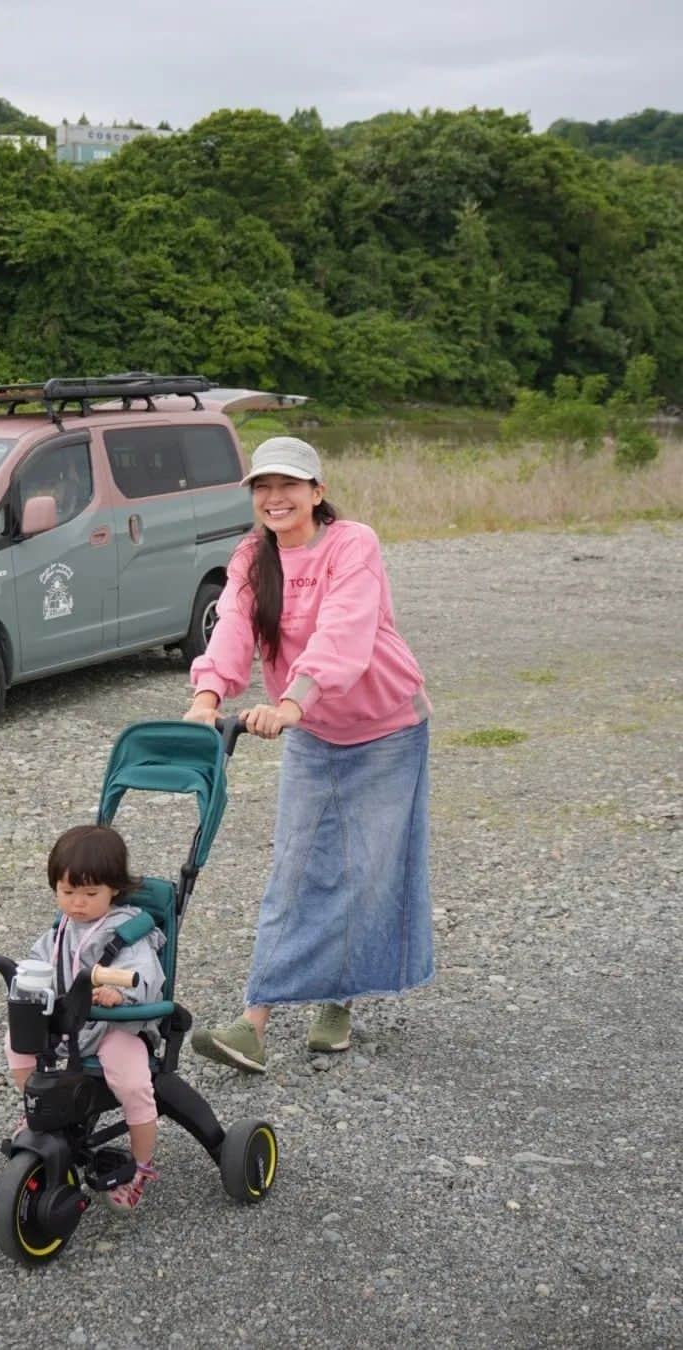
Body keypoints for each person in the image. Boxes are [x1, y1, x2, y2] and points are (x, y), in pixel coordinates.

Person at [183, 436, 432, 1072]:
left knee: (364, 871)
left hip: (386, 728)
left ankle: (337, 1003)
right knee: (295, 869)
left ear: (316, 492)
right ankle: (252, 1022)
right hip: (313, 733)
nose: (275, 498)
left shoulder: (353, 543)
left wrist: (292, 702)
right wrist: (208, 695)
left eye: (288, 486)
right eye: (262, 487)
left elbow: (343, 630)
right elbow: (233, 627)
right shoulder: (250, 556)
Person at [5, 824, 166, 1211]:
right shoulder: (61, 930)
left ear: (115, 889)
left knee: (132, 1083)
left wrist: (120, 992)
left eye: (91, 894)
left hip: (116, 1024)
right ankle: (42, 1113)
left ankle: (141, 1165)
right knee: (18, 1041)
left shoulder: (127, 932)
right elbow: (38, 963)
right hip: (71, 1021)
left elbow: (148, 976)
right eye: (67, 892)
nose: (78, 903)